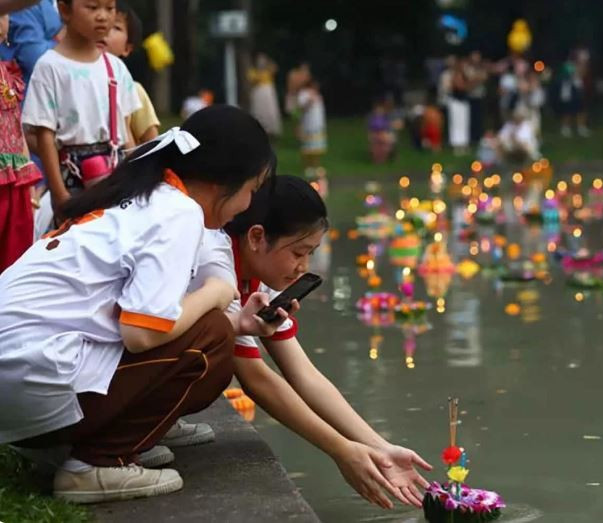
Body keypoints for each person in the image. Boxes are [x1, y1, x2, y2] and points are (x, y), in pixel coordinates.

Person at [0, 105, 283, 504]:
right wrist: (219, 294)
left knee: (217, 325)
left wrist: (235, 317)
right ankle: (95, 463)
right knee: (214, 338)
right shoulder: (177, 213)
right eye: (252, 189)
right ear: (225, 181)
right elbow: (141, 333)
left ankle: (67, 447)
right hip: (31, 387)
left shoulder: (143, 196)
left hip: (15, 390)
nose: (249, 203)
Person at [190, 175, 432, 510]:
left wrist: (378, 447)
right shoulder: (218, 268)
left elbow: (304, 374)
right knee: (216, 359)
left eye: (312, 254)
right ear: (257, 237)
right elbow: (256, 378)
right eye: (299, 253)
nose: (304, 267)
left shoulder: (261, 278)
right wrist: (340, 449)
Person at [23, 0, 141, 224]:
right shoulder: (50, 66)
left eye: (109, 9)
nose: (103, 16)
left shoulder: (115, 68)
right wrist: (60, 196)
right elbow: (45, 135)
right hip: (71, 177)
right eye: (92, 8)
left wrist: (137, 178)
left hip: (114, 175)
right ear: (65, 10)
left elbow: (125, 133)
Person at [0, 11, 41, 273]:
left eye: (2, 13)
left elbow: (16, 124)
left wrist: (29, 182)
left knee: (13, 261)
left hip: (15, 180)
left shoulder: (8, 71)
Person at [101, 0, 159, 145]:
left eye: (116, 27)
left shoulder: (134, 89)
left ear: (127, 48)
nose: (105, 29)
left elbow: (151, 143)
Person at [247, 52, 282, 138]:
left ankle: (271, 131)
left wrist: (268, 63)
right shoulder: (252, 71)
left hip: (268, 95)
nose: (261, 62)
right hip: (259, 95)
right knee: (259, 113)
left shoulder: (268, 70)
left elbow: (275, 68)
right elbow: (253, 80)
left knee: (270, 112)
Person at [297, 78, 327, 177]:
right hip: (308, 125)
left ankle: (316, 166)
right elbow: (301, 108)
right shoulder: (303, 94)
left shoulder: (318, 95)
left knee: (316, 148)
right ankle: (307, 167)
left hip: (317, 124)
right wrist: (309, 101)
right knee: (307, 148)